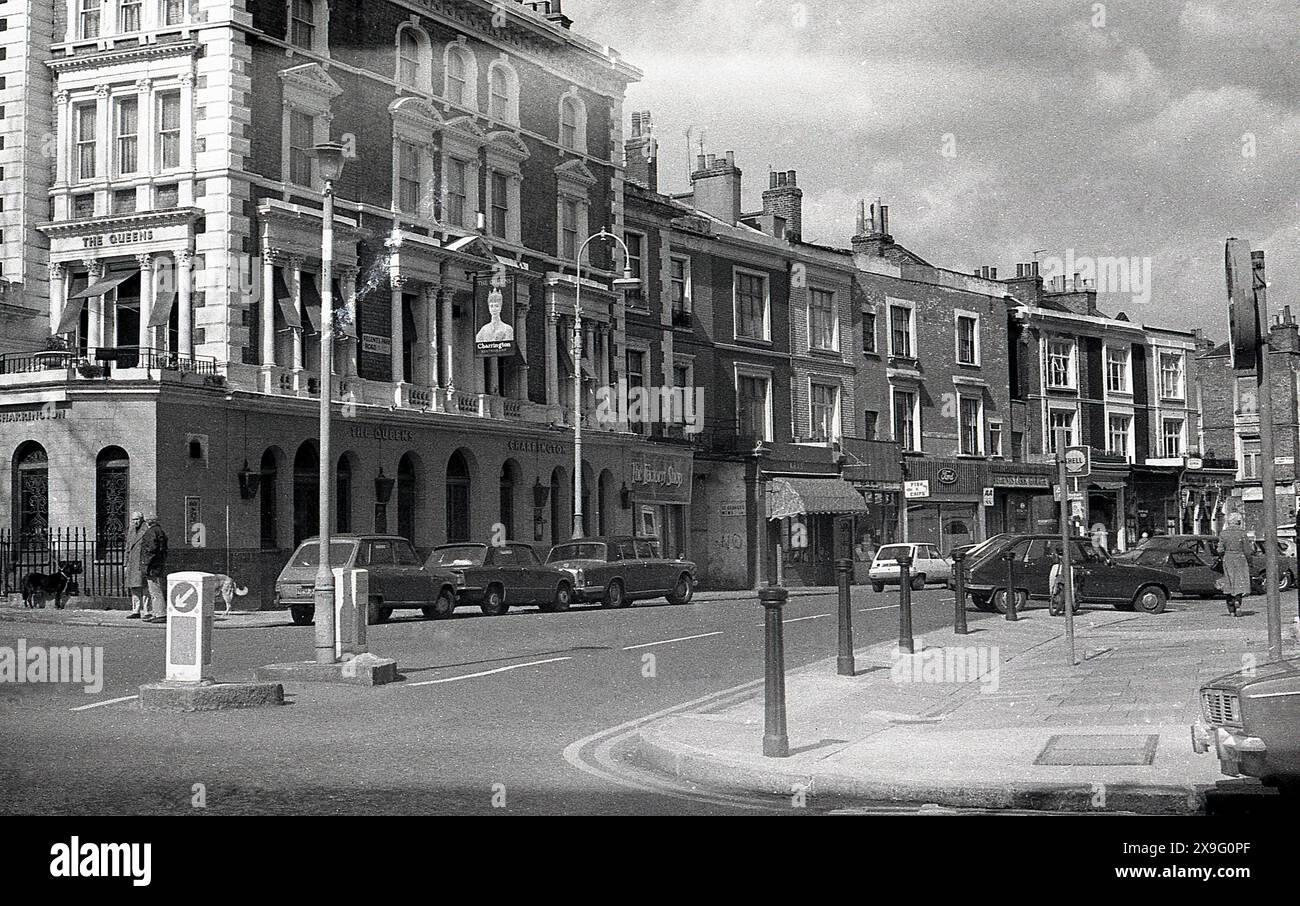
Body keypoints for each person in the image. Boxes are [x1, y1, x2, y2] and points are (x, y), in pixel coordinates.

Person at [1216, 512, 1253, 617]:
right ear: (1239, 522)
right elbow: (1247, 550)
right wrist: (1250, 561)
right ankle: (1238, 601)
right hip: (1240, 559)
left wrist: (1223, 554)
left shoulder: (1223, 533)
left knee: (1229, 582)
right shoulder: (1242, 533)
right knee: (1240, 582)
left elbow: (1219, 549)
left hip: (1228, 559)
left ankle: (1231, 609)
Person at [140, 513, 169, 624]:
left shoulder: (151, 532)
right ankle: (157, 612)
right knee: (156, 588)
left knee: (154, 590)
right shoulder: (160, 531)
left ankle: (160, 613)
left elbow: (151, 549)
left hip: (152, 566)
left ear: (148, 522)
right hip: (158, 564)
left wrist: (145, 564)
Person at [123, 512, 149, 620]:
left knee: (145, 587)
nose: (135, 522)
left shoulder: (146, 529)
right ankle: (136, 610)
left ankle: (147, 611)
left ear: (142, 519)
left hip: (141, 562)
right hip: (132, 563)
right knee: (134, 587)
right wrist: (125, 563)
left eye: (137, 519)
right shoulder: (131, 530)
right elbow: (128, 548)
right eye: (133, 520)